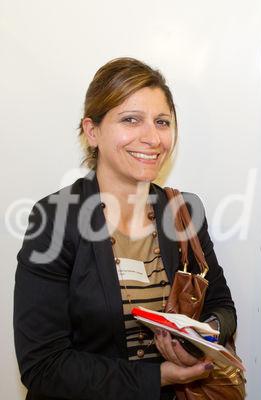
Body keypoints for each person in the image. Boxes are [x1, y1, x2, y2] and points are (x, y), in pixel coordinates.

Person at [14, 57, 237, 400]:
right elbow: (43, 364)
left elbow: (221, 304)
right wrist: (157, 377)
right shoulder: (55, 219)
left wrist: (204, 336)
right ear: (92, 131)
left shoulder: (184, 211)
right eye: (131, 119)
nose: (152, 137)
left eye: (162, 122)